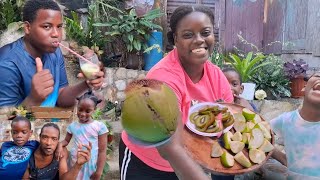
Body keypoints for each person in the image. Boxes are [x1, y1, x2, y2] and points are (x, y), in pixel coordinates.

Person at [119, 5, 233, 179]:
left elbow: (227, 120)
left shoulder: (217, 76)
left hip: (186, 158)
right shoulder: (163, 79)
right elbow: (170, 148)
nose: (199, 40)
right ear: (175, 40)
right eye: (188, 35)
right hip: (145, 161)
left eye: (205, 32)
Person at [0, 0, 104, 108]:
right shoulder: (6, 63)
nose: (56, 34)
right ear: (27, 28)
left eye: (59, 27)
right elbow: (4, 120)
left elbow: (60, 97)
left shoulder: (54, 52)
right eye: (47, 26)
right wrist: (34, 99)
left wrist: (87, 84)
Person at [270, 72, 320, 178]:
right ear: (304, 87)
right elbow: (261, 133)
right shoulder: (286, 120)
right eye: (318, 76)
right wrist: (282, 158)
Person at [58, 90, 108, 180]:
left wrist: (99, 172)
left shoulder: (100, 127)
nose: (82, 114)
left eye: (88, 111)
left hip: (90, 164)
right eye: (80, 109)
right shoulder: (72, 126)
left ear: (94, 110)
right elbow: (66, 141)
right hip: (75, 161)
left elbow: (102, 151)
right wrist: (59, 145)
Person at [22, 123, 92, 179]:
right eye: (45, 137)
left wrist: (78, 165)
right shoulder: (29, 153)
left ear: (58, 140)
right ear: (39, 137)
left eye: (54, 139)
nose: (48, 143)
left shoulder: (61, 152)